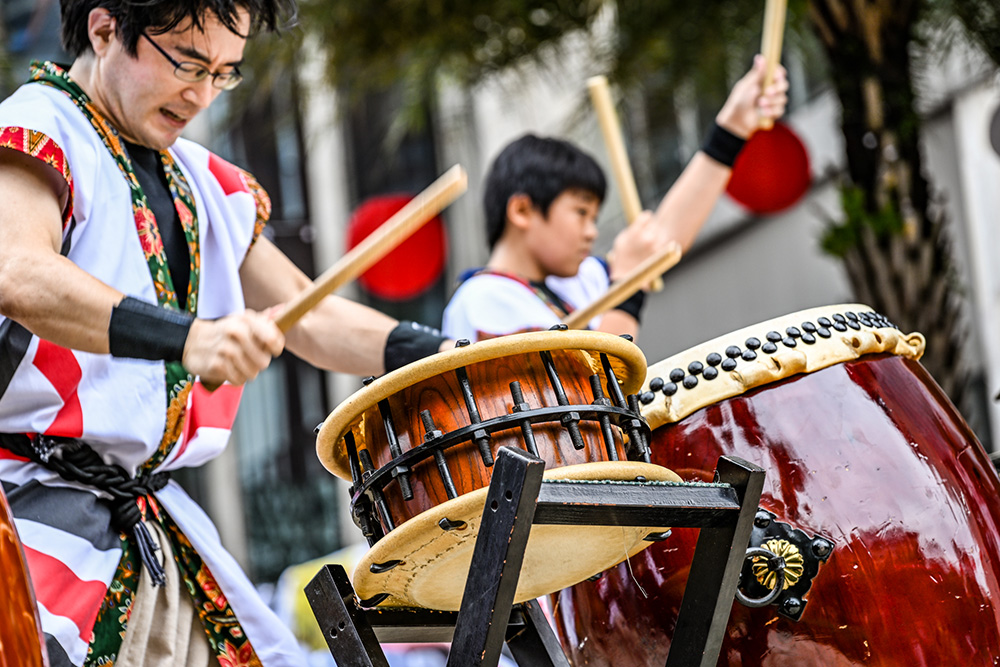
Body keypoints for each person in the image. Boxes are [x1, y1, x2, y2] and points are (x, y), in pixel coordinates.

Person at [0, 1, 449, 665]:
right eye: (187, 62)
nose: (203, 92)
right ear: (103, 29)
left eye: (224, 73)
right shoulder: (40, 124)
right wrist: (191, 338)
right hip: (30, 520)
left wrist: (446, 354)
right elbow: (19, 271)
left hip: (157, 526)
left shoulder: (206, 184)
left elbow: (311, 313)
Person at [442, 56, 789, 343]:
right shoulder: (481, 301)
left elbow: (664, 240)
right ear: (521, 210)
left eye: (595, 217)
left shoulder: (579, 280)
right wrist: (627, 286)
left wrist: (733, 126)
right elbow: (584, 395)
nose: (592, 232)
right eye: (581, 213)